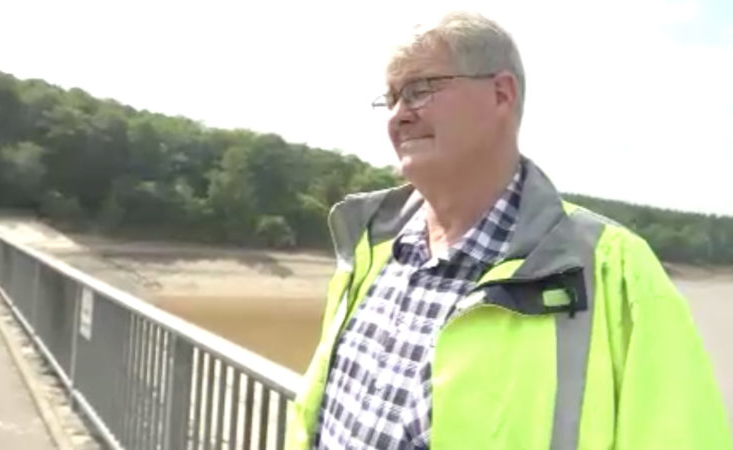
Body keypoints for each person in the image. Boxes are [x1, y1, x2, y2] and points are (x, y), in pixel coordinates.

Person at [288, 10, 731, 450]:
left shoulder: (611, 272)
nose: (398, 115)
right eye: (392, 98)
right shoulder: (371, 247)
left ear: (501, 94)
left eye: (420, 90)